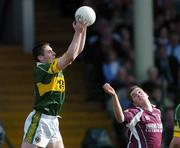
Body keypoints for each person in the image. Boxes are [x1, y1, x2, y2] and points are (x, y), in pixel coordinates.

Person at [21, 20, 87, 148]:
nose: (54, 53)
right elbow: (70, 56)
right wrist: (78, 32)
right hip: (41, 119)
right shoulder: (42, 68)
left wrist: (83, 30)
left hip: (53, 120)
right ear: (41, 58)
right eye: (49, 51)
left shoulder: (53, 66)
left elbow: (77, 51)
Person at [103, 83, 163, 148]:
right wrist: (114, 96)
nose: (138, 94)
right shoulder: (135, 112)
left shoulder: (157, 112)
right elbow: (120, 119)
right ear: (134, 104)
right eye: (134, 95)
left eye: (139, 92)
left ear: (146, 94)